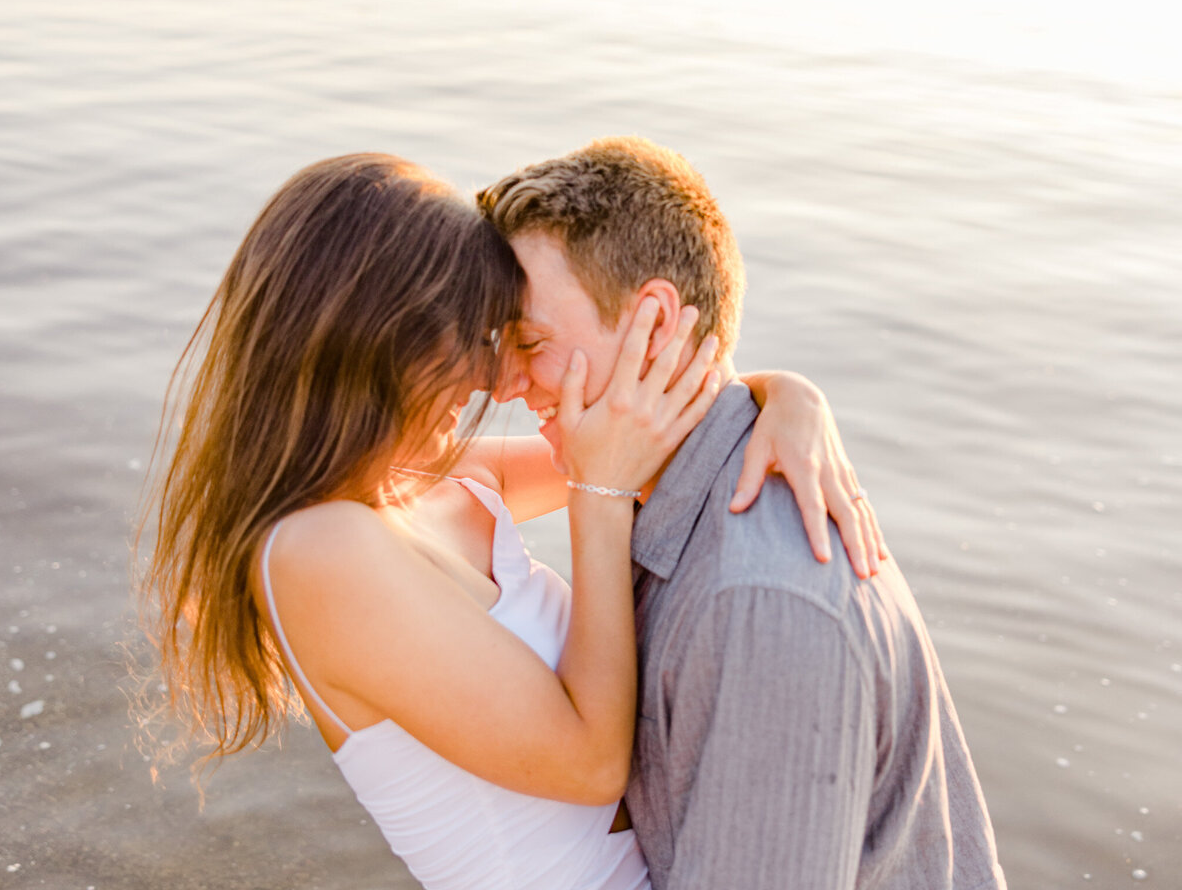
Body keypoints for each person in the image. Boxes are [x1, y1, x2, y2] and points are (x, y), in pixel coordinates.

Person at [134, 152, 886, 890]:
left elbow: (638, 423)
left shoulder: (433, 483)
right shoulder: (314, 551)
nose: (494, 377)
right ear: (375, 339)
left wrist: (783, 395)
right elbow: (589, 767)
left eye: (506, 337)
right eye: (472, 337)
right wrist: (598, 498)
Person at [478, 136, 1008, 890]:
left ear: (654, 328)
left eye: (531, 341)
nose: (504, 384)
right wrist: (781, 387)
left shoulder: (758, 607)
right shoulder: (669, 492)